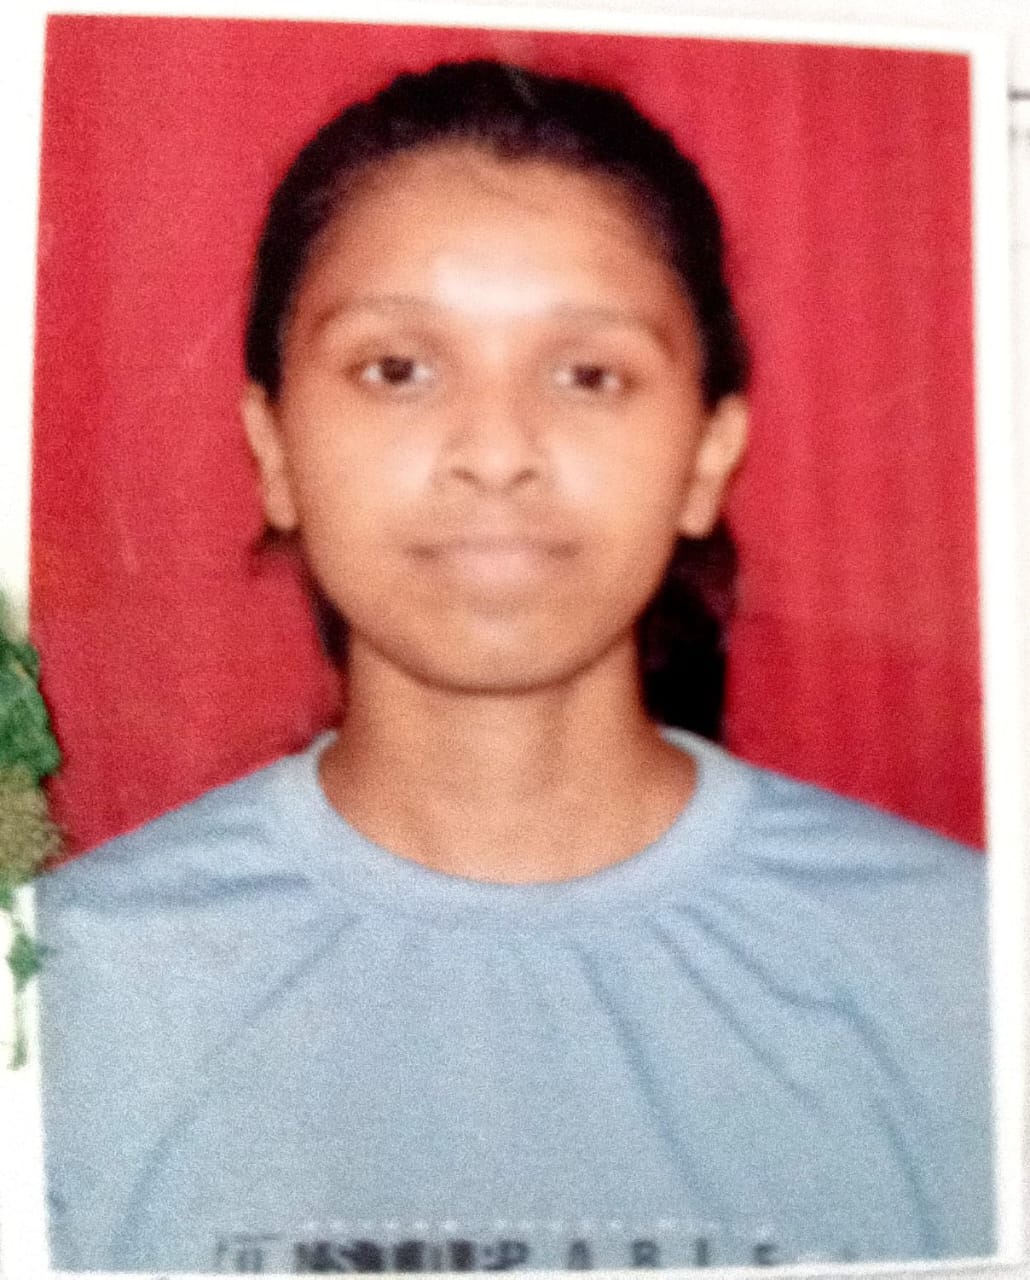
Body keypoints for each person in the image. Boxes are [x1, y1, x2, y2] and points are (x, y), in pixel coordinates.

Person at [35, 60, 993, 1274]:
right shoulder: (65, 993)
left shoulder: (961, 966)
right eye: (397, 368)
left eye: (588, 374)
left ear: (707, 456)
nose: (495, 452)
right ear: (272, 448)